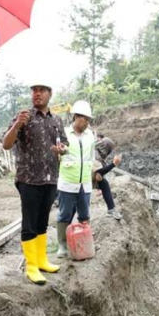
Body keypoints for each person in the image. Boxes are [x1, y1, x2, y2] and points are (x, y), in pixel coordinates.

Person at [2, 83, 67, 285]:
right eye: (34, 90)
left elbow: (64, 143)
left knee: (42, 220)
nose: (37, 94)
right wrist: (16, 125)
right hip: (28, 179)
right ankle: (31, 266)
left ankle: (41, 260)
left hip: (50, 178)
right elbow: (6, 143)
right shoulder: (24, 116)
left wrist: (61, 149)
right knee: (29, 222)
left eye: (42, 90)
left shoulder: (56, 119)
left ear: (50, 94)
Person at [56, 100, 96, 258]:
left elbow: (91, 157)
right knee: (64, 214)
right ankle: (62, 245)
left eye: (88, 119)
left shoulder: (90, 135)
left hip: (85, 182)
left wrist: (93, 173)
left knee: (84, 214)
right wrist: (61, 152)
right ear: (76, 117)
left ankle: (85, 242)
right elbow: (59, 153)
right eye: (85, 119)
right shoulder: (64, 133)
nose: (87, 122)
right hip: (67, 181)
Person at [94, 134, 122, 220]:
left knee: (104, 183)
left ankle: (111, 209)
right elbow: (98, 171)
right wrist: (113, 164)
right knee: (103, 182)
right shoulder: (95, 153)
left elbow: (99, 172)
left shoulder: (97, 152)